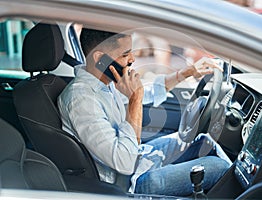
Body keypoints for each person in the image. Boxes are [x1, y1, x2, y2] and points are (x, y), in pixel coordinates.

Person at [58, 28, 231, 196]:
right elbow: (125, 162)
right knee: (218, 167)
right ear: (100, 59)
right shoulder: (81, 99)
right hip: (127, 183)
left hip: (138, 160)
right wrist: (135, 99)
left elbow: (149, 92)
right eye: (125, 54)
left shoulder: (105, 83)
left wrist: (188, 72)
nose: (132, 59)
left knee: (204, 142)